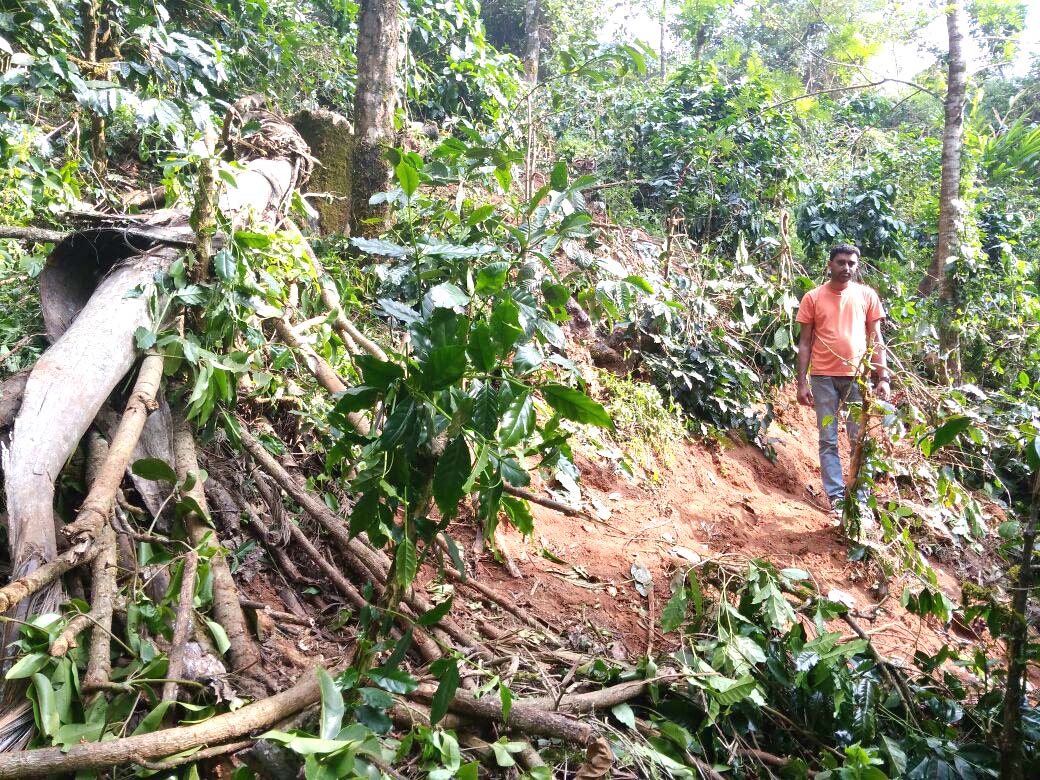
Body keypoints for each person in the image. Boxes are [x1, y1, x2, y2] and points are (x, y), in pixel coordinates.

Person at [795, 244, 890, 513]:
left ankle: (860, 497)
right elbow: (805, 343)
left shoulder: (867, 296)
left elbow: (876, 339)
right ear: (830, 265)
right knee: (828, 438)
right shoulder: (813, 298)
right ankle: (836, 497)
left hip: (857, 378)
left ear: (856, 266)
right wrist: (802, 383)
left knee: (859, 439)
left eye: (851, 263)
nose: (846, 267)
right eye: (841, 262)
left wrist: (883, 377)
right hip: (823, 378)